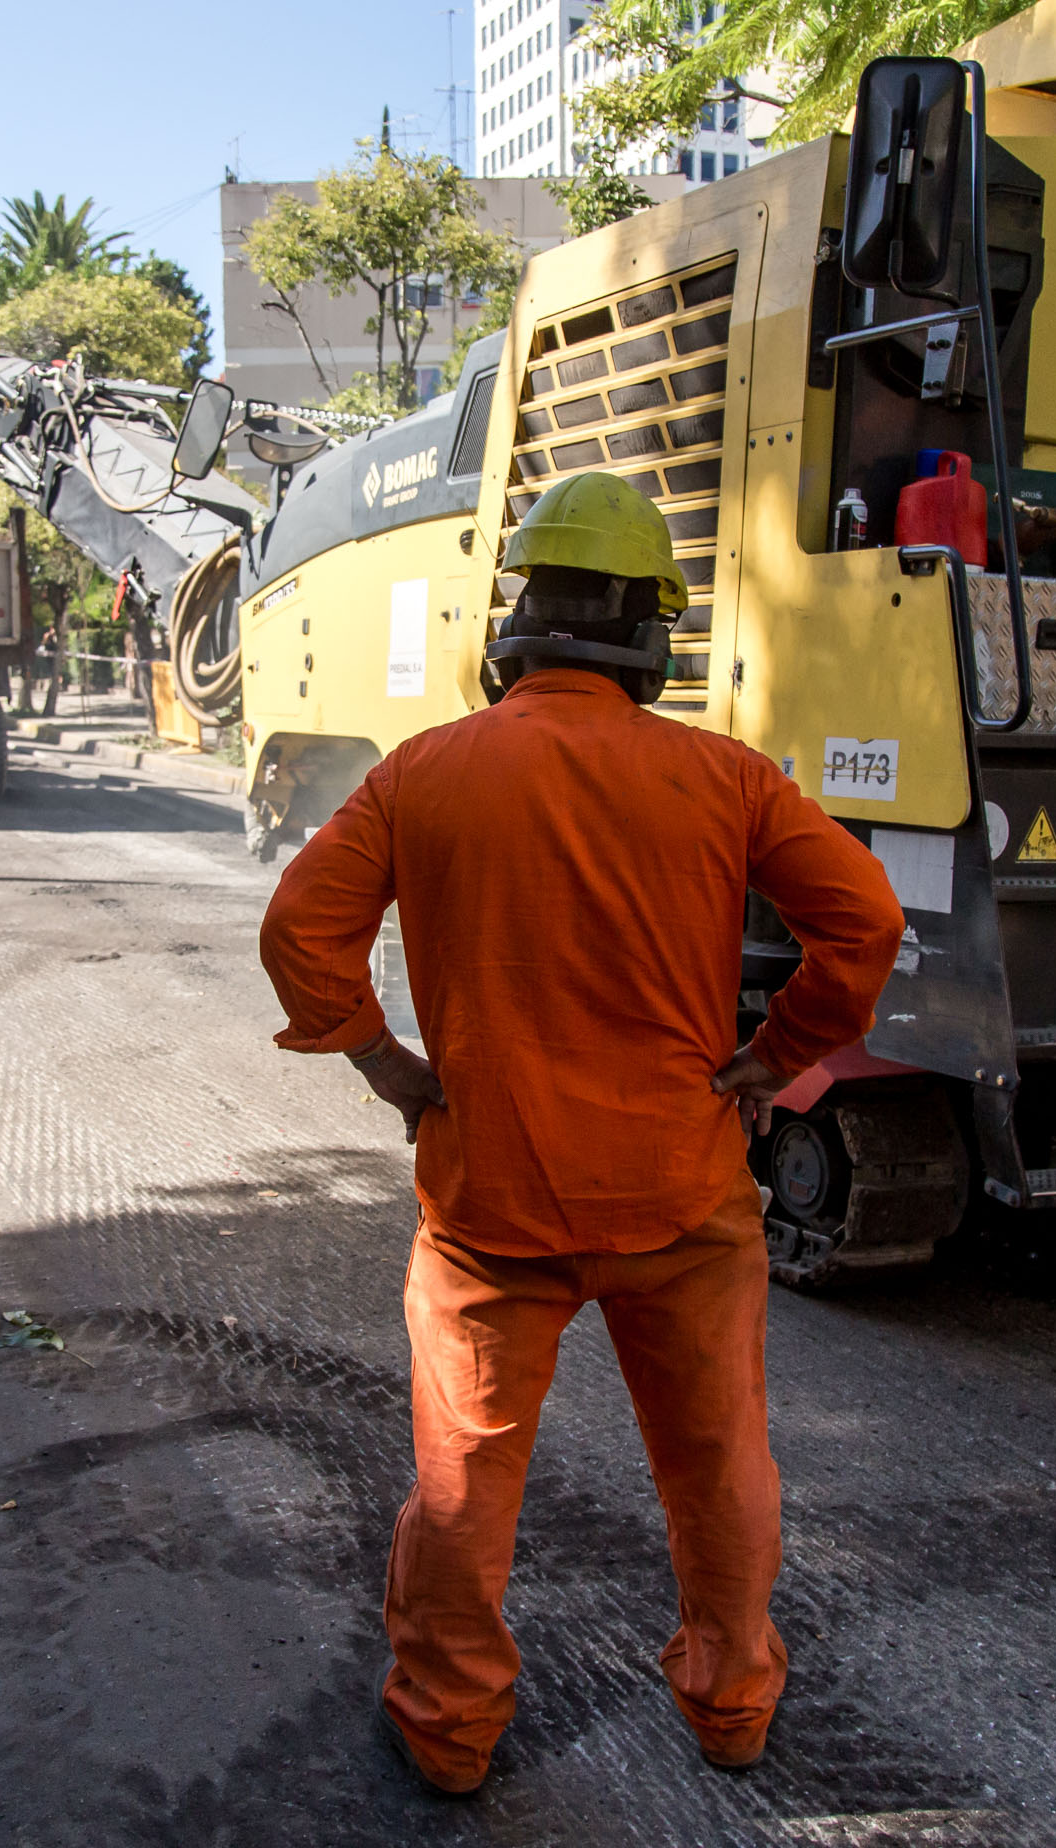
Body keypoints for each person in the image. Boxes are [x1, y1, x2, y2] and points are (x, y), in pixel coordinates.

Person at [258, 472, 906, 1796]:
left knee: (464, 1481)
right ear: (650, 635)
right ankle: (732, 1708)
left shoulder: (423, 773)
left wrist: (389, 1065)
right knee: (719, 1464)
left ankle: (449, 1733)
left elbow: (298, 931)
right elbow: (867, 924)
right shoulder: (726, 778)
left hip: (494, 1200)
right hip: (683, 1197)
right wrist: (776, 1056)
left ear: (517, 624)